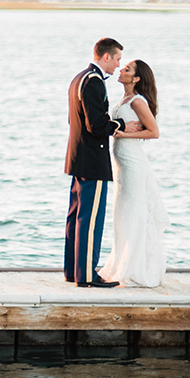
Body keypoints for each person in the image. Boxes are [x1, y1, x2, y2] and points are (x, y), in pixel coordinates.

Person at [65, 38, 127, 287]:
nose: (119, 64)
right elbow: (96, 125)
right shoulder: (94, 81)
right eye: (118, 58)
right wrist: (121, 125)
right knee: (90, 220)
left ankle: (73, 271)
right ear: (106, 57)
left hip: (78, 157)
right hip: (92, 159)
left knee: (76, 218)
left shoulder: (79, 78)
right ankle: (87, 276)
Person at [102, 59, 169, 288]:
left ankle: (136, 268)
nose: (121, 70)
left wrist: (122, 134)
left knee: (135, 212)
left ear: (137, 78)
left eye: (127, 69)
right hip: (122, 165)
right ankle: (121, 263)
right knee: (122, 213)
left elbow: (154, 132)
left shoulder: (139, 102)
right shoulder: (125, 98)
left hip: (133, 163)